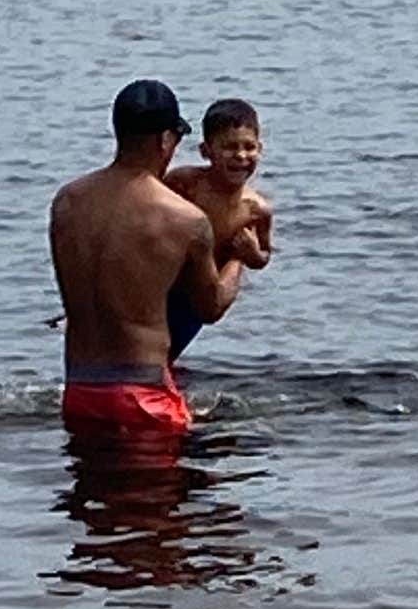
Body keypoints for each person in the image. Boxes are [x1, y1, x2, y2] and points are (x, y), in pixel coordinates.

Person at [49, 78, 243, 448]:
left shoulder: (67, 202)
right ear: (165, 141)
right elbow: (212, 305)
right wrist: (236, 256)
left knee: (88, 502)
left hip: (79, 393)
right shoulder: (184, 219)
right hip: (143, 399)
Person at [165, 96, 273, 361]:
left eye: (249, 147)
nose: (241, 156)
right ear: (206, 151)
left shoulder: (256, 209)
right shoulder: (186, 183)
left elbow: (264, 256)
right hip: (166, 283)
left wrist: (251, 255)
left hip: (199, 297)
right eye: (229, 147)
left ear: (260, 148)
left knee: (169, 350)